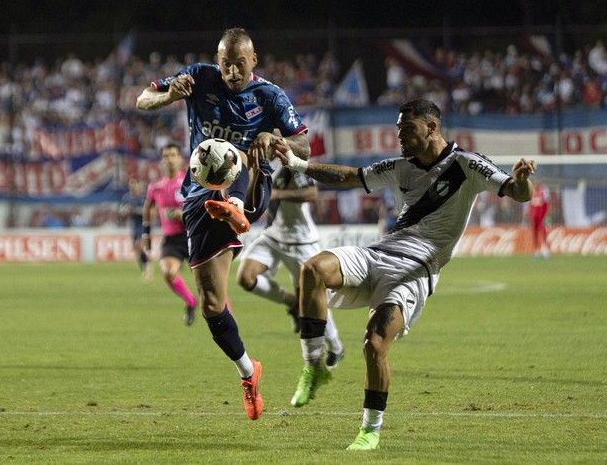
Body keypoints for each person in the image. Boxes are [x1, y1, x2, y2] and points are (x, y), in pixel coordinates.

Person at [273, 99, 536, 450]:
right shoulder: (400, 168)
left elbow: (518, 193)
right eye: (397, 129)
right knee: (313, 269)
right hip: (378, 254)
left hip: (415, 272)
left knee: (375, 343)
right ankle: (314, 366)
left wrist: (522, 181)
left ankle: (370, 430)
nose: (399, 136)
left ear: (431, 127)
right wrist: (296, 163)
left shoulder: (467, 165)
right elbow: (350, 177)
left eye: (407, 129)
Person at [136, 27, 311, 421]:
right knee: (212, 305)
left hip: (250, 184)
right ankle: (249, 373)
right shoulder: (199, 76)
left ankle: (233, 204)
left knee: (237, 155)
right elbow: (142, 100)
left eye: (239, 64)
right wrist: (170, 94)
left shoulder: (270, 96)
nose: (232, 71)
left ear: (254, 60)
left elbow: (304, 145)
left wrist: (274, 139)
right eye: (226, 64)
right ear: (218, 62)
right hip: (199, 196)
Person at [236, 157, 345, 368]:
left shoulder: (293, 162)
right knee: (245, 277)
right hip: (273, 235)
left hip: (301, 241)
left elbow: (312, 194)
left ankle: (336, 346)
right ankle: (291, 301)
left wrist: (277, 194)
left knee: (313, 299)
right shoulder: (263, 162)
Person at [141, 144, 198, 325]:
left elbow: (201, 207)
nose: (169, 159)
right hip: (173, 240)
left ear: (180, 159)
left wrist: (185, 214)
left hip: (194, 237)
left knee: (209, 283)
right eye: (165, 156)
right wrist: (146, 233)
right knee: (168, 272)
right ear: (161, 161)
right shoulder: (155, 186)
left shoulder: (190, 182)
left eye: (173, 155)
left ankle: (225, 315)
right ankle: (191, 302)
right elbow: (148, 207)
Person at [119, 178, 152, 280]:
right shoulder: (127, 197)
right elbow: (121, 211)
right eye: (131, 186)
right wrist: (125, 211)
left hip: (144, 225)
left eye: (135, 185)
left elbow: (150, 211)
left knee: (140, 245)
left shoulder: (145, 197)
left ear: (139, 185)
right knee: (137, 249)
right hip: (134, 225)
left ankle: (148, 268)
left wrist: (133, 210)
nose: (133, 188)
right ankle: (145, 267)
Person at [529, 179, 551, 258]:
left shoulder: (544, 192)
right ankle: (537, 250)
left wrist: (547, 215)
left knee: (543, 233)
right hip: (534, 217)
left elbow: (547, 204)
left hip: (541, 216)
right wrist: (529, 216)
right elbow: (530, 206)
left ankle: (545, 249)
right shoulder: (532, 192)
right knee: (534, 233)